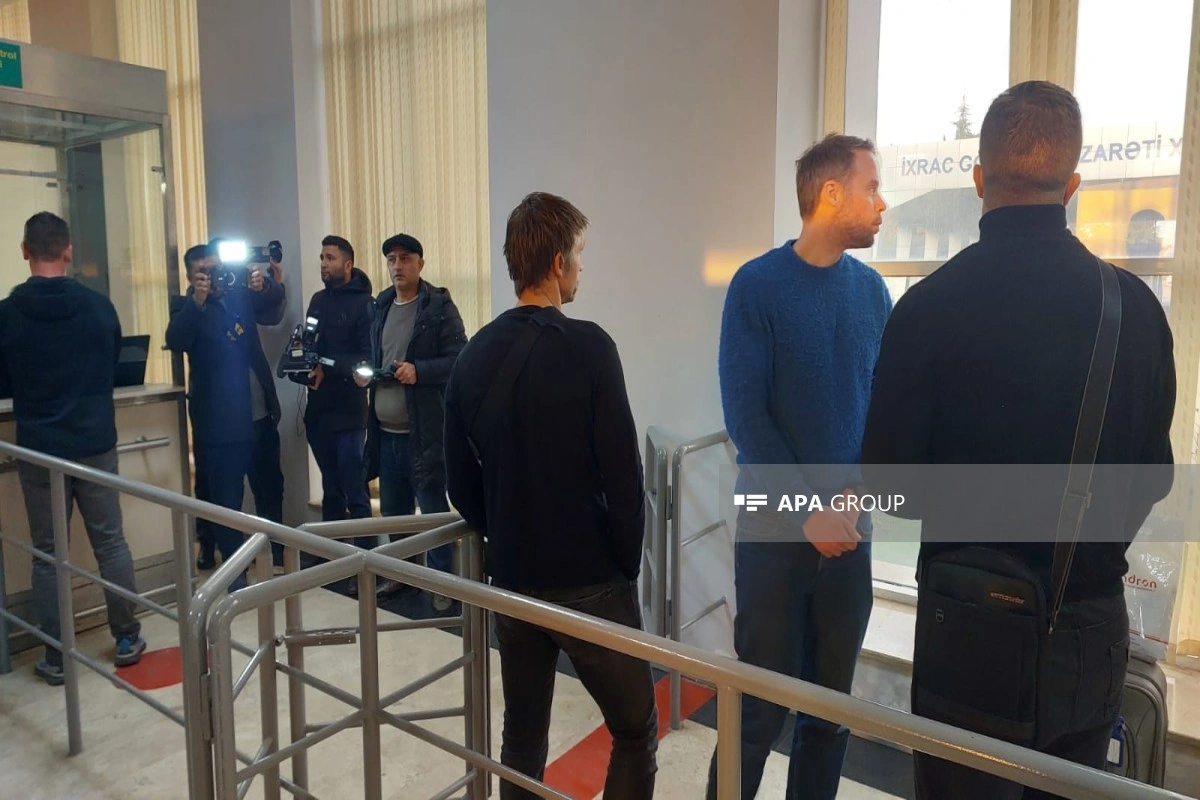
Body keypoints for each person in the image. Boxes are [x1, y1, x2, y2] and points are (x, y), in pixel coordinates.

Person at [861, 81, 1176, 799]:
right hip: (1085, 624)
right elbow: (1153, 478)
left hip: (965, 623)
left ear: (979, 179)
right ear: (1072, 185)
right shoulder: (1132, 308)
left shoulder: (925, 307)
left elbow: (889, 486)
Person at [443, 192, 657, 799]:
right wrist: (624, 564)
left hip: (512, 579)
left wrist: (505, 534)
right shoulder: (591, 347)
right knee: (635, 729)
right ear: (559, 262)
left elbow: (460, 485)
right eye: (580, 255)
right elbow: (624, 475)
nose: (582, 268)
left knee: (522, 737)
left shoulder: (471, 357)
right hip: (590, 578)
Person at [706, 134, 891, 800]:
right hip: (773, 535)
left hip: (851, 536)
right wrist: (808, 510)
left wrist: (851, 501)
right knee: (757, 713)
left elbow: (882, 410)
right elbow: (746, 416)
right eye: (872, 188)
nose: (882, 204)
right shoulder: (757, 286)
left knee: (828, 717)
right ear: (832, 193)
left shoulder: (872, 292)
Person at [0, 211, 147, 684]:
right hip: (95, 442)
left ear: (25, 251)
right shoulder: (99, 308)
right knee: (110, 542)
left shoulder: (6, 315)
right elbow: (112, 363)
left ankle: (57, 655)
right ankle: (126, 638)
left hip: (40, 448)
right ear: (67, 250)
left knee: (48, 553)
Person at [166, 242, 286, 581]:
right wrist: (198, 301)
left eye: (215, 268)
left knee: (270, 489)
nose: (212, 276)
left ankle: (278, 557)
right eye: (203, 271)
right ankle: (236, 576)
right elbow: (175, 340)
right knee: (226, 501)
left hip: (259, 415)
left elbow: (271, 311)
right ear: (190, 276)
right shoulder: (187, 307)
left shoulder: (237, 294)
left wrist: (265, 284)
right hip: (221, 426)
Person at [358, 233, 465, 605]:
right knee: (394, 512)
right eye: (391, 259)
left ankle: (441, 584)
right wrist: (367, 373)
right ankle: (402, 576)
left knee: (432, 512)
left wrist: (419, 371)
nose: (397, 266)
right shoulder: (382, 306)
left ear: (421, 263)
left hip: (424, 433)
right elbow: (377, 356)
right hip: (385, 433)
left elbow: (459, 358)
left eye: (405, 258)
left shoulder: (438, 307)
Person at [290, 236, 375, 583]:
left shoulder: (365, 305)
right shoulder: (317, 301)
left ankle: (367, 566)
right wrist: (303, 363)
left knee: (356, 493)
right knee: (331, 491)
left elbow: (366, 358)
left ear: (348, 264)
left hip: (350, 414)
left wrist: (328, 366)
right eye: (322, 257)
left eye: (331, 258)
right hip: (319, 413)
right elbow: (309, 346)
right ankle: (334, 563)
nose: (324, 264)